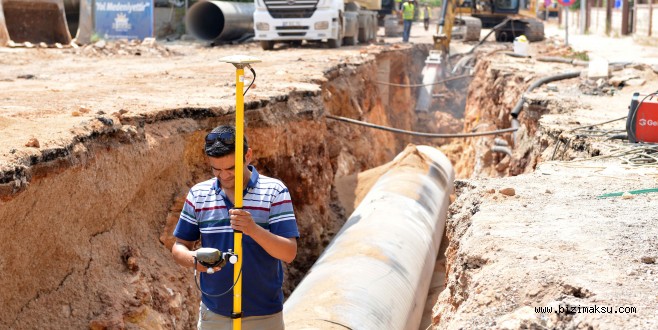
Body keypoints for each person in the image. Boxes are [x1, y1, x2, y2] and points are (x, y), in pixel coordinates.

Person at [171, 125, 299, 330]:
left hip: (264, 317)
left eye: (231, 168)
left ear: (247, 156)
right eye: (216, 169)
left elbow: (288, 253)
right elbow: (178, 248)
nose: (224, 176)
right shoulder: (198, 194)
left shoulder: (274, 191)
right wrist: (195, 261)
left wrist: (253, 229)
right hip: (214, 316)